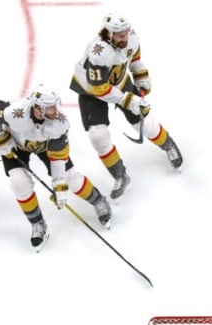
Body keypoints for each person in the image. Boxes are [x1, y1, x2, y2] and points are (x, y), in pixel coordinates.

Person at [0, 84, 113, 252]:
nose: (55, 110)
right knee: (19, 183)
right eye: (50, 107)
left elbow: (58, 157)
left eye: (54, 106)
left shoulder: (60, 123)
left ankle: (99, 200)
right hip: (16, 146)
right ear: (38, 107)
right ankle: (37, 223)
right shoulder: (14, 113)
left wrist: (59, 186)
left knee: (71, 178)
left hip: (46, 147)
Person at [69, 11, 183, 200]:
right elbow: (99, 89)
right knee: (98, 135)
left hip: (118, 81)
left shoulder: (131, 38)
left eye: (126, 32)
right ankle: (119, 174)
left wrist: (142, 77)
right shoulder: (98, 52)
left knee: (143, 120)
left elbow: (135, 60)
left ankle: (168, 144)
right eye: (120, 34)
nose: (124, 37)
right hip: (91, 92)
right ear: (108, 34)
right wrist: (128, 100)